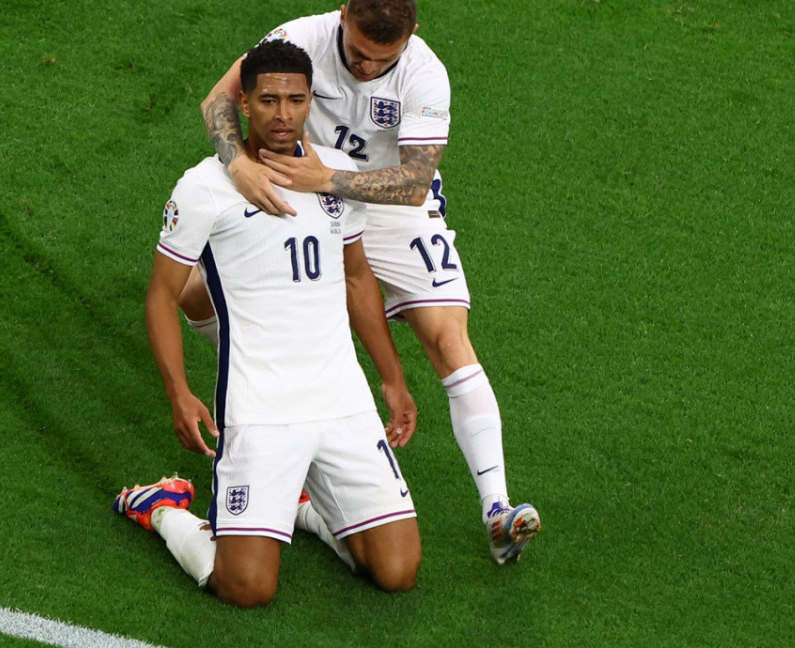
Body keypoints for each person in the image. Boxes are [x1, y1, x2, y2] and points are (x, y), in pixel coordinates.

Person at [189, 0, 541, 565]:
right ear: (343, 16)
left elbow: (416, 182)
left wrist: (328, 176)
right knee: (195, 293)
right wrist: (238, 164)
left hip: (381, 202)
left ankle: (497, 509)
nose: (369, 68)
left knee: (448, 336)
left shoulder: (425, 74)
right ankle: (272, 392)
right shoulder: (300, 37)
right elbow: (219, 100)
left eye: (385, 59)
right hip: (294, 187)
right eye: (357, 53)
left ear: (411, 36)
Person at [115, 39, 421, 608]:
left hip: (342, 401)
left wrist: (392, 375)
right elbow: (161, 295)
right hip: (260, 409)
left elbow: (357, 278)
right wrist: (177, 392)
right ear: (244, 103)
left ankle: (302, 506)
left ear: (312, 101)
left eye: (297, 100)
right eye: (269, 100)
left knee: (396, 570)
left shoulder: (336, 176)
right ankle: (160, 508)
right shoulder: (205, 187)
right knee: (247, 587)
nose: (284, 115)